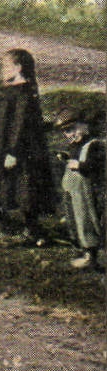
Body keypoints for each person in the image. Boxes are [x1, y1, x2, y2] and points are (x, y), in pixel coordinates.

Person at [0, 48, 57, 242]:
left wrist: (13, 151)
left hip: (15, 148)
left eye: (5, 66)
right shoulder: (9, 91)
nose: (2, 70)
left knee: (24, 186)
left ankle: (31, 229)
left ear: (18, 68)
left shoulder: (24, 93)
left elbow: (20, 124)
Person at [54, 107, 104, 271]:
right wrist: (66, 158)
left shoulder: (94, 145)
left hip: (85, 193)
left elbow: (98, 166)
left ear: (84, 125)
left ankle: (91, 256)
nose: (70, 135)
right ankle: (81, 251)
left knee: (86, 221)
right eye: (66, 132)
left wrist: (81, 165)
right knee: (74, 220)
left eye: (72, 129)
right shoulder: (75, 146)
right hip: (72, 191)